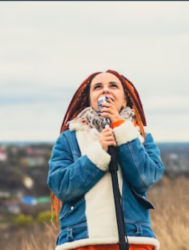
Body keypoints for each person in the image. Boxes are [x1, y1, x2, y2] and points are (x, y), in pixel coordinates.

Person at [47, 69, 165, 250]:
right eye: (98, 87)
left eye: (113, 86)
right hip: (83, 242)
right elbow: (61, 186)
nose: (105, 90)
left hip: (134, 241)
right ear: (90, 99)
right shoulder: (69, 139)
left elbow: (145, 178)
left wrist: (120, 128)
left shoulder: (141, 135)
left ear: (125, 99)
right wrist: (98, 152)